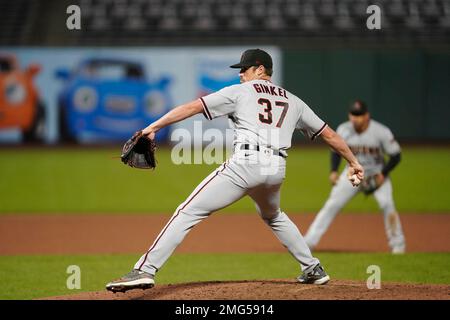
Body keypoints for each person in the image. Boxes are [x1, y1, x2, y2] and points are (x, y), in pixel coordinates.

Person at [105, 49, 364, 293]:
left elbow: (192, 107)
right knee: (274, 216)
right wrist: (354, 162)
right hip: (276, 168)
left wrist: (154, 126)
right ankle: (312, 268)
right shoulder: (294, 101)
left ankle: (144, 269)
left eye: (245, 68)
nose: (241, 73)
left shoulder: (241, 92)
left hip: (246, 165)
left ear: (260, 69)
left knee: (188, 211)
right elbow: (329, 134)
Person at [304, 100, 405, 254]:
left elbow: (396, 155)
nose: (355, 118)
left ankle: (398, 244)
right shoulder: (344, 129)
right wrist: (333, 171)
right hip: (351, 173)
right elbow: (336, 151)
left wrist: (383, 174)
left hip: (375, 173)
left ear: (367, 116)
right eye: (353, 114)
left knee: (387, 205)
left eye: (359, 115)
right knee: (332, 204)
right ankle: (309, 241)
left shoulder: (380, 131)